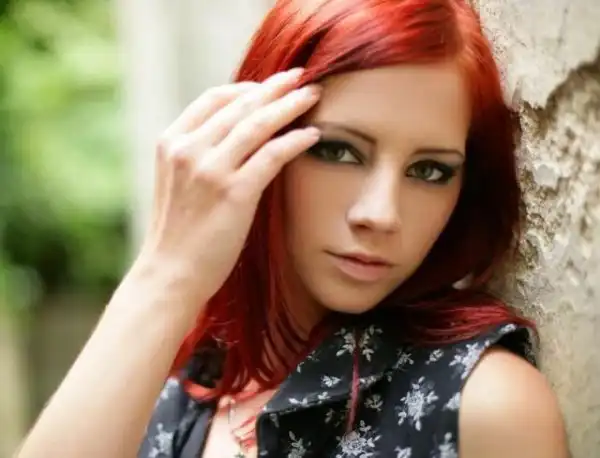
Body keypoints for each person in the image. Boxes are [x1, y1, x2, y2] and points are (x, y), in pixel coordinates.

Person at [17, 0, 569, 457]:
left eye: (429, 171)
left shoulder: (483, 404)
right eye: (339, 151)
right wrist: (167, 272)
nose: (381, 213)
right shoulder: (187, 386)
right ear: (257, 142)